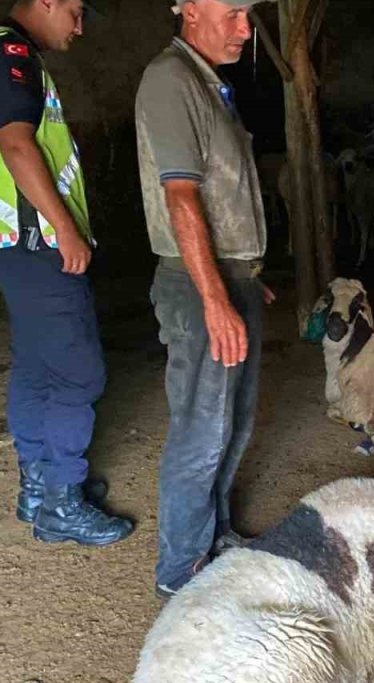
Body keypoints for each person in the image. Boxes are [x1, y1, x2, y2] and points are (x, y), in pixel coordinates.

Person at [0, 0, 134, 546]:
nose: (79, 25)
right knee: (79, 372)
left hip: (9, 237)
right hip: (34, 235)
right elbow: (16, 143)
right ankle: (60, 500)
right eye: (76, 10)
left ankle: (38, 486)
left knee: (36, 363)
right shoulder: (10, 52)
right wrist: (65, 228)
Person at [135, 0, 274, 599]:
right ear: (189, 9)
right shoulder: (170, 79)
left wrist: (243, 274)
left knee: (231, 424)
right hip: (199, 287)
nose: (246, 29)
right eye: (235, 12)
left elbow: (222, 194)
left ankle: (212, 538)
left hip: (226, 278)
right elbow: (182, 200)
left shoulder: (208, 83)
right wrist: (215, 297)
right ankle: (180, 575)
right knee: (202, 429)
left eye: (251, 14)